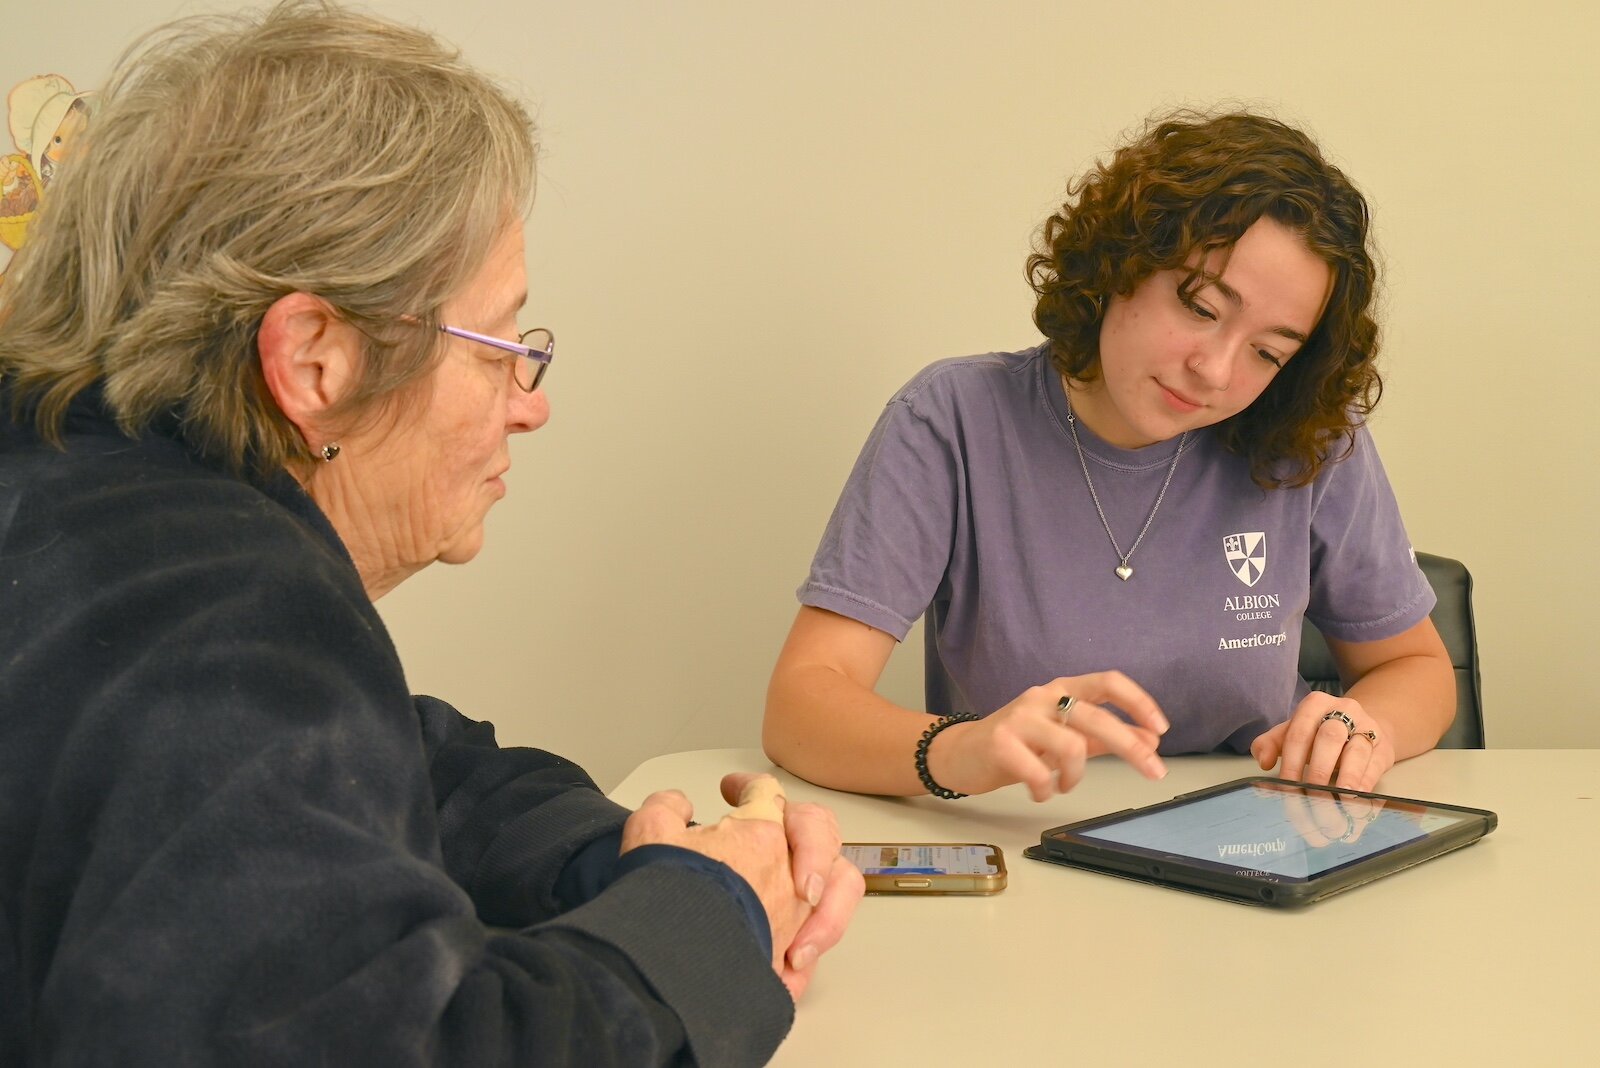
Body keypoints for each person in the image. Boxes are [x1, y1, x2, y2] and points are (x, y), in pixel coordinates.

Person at [0, 2, 860, 1064]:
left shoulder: (94, 510)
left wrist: (612, 856)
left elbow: (375, 760)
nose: (529, 400)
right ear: (315, 357)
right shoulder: (221, 619)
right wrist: (703, 922)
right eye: (499, 342)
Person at [764, 110, 1454, 804]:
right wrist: (960, 748)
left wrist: (1365, 729)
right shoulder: (953, 421)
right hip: (1024, 836)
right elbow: (802, 705)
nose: (1215, 370)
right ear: (1122, 264)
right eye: (1199, 306)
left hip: (1258, 843)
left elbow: (1416, 666)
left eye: (1268, 352)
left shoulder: (1308, 439)